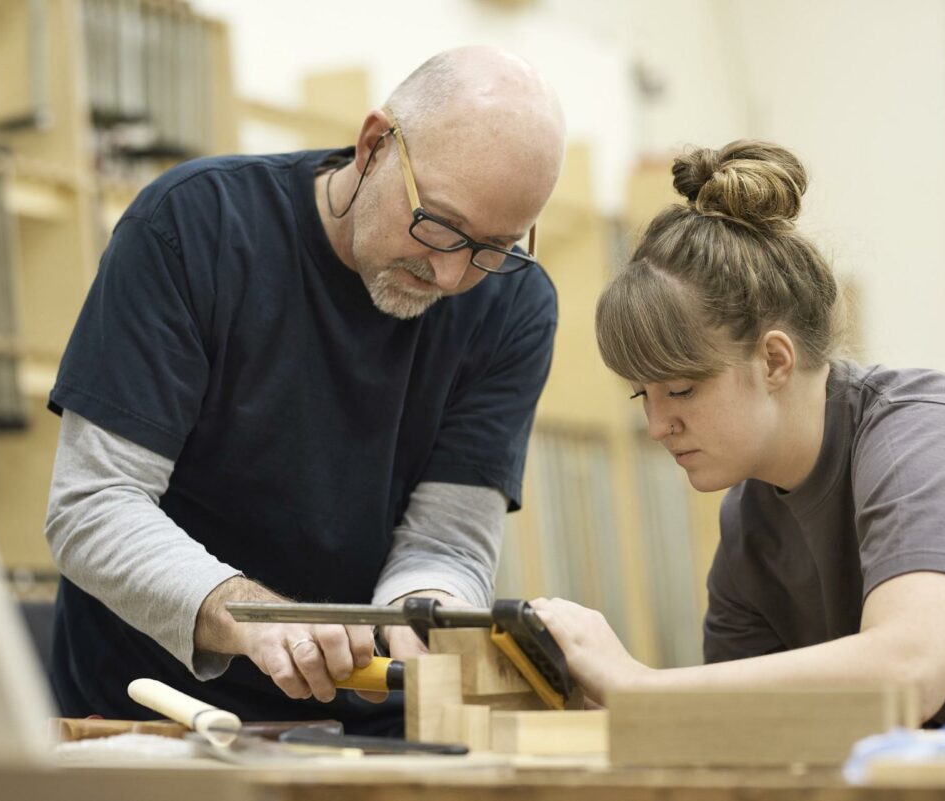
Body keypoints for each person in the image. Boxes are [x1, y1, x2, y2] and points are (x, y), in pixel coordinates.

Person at [532, 140, 945, 736]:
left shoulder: (929, 439)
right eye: (644, 395)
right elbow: (749, 736)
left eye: (682, 390)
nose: (657, 425)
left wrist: (639, 687)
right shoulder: (751, 524)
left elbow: (908, 671)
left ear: (774, 360)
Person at [44, 46, 566, 734]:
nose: (447, 273)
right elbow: (93, 504)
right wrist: (259, 620)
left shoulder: (513, 303)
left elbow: (449, 541)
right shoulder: (191, 228)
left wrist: (425, 615)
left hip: (362, 725)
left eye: (491, 247)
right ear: (375, 143)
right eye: (437, 223)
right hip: (150, 714)